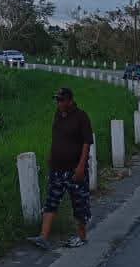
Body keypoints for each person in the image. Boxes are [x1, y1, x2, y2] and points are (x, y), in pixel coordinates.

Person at [28, 87, 93, 250]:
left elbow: (87, 143)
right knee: (51, 200)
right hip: (57, 167)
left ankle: (82, 236)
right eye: (57, 100)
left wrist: (80, 166)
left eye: (62, 100)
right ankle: (43, 236)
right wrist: (52, 155)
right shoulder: (58, 115)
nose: (59, 103)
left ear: (70, 101)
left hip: (74, 168)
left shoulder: (81, 117)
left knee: (79, 203)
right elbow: (56, 137)